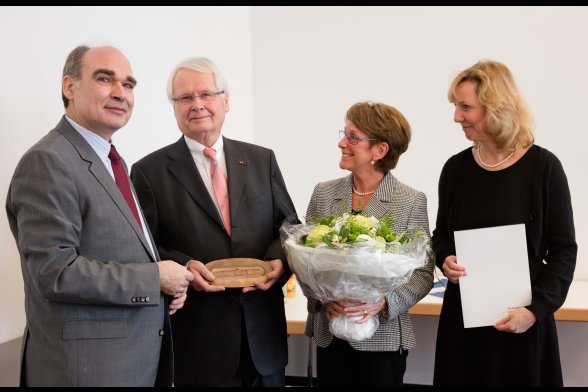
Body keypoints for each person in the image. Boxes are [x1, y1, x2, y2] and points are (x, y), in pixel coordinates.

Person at [5, 45, 194, 387]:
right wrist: (154, 278)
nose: (121, 93)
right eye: (105, 79)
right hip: (86, 371)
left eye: (129, 84)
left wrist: (165, 286)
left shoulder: (110, 161)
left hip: (130, 364)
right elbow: (55, 272)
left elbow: (121, 253)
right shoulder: (48, 161)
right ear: (69, 87)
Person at [130, 57, 298, 387]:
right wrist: (186, 265)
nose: (197, 105)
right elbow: (142, 248)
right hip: (199, 344)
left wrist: (279, 260)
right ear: (174, 107)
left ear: (225, 100)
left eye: (206, 94)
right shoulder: (148, 172)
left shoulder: (261, 160)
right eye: (185, 98)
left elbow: (288, 224)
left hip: (264, 340)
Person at [432, 60, 577, 386]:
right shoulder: (455, 170)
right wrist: (445, 259)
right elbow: (440, 237)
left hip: (523, 326)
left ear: (495, 108)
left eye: (465, 106)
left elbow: (563, 251)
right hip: (463, 329)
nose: (457, 116)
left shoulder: (544, 168)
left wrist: (535, 311)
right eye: (456, 106)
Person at [303, 102, 434, 387]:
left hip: (383, 341)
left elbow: (423, 274)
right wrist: (325, 298)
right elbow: (305, 264)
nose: (342, 143)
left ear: (380, 150)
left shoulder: (410, 201)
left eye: (352, 137)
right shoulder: (323, 193)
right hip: (330, 335)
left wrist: (383, 303)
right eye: (344, 134)